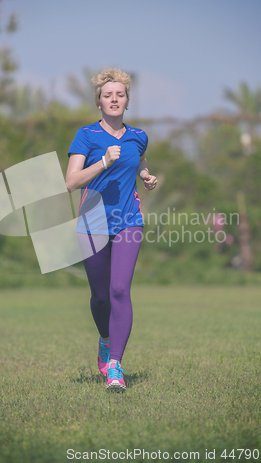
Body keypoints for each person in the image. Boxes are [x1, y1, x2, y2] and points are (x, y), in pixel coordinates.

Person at [66, 68, 157, 391]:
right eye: (108, 95)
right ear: (99, 102)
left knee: (120, 291)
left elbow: (138, 160)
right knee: (101, 297)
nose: (114, 99)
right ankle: (105, 340)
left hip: (129, 220)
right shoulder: (86, 136)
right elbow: (71, 181)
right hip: (92, 221)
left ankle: (115, 364)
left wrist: (146, 176)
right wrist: (103, 161)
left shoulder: (138, 136)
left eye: (120, 94)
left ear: (127, 102)